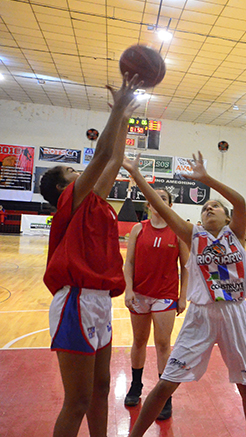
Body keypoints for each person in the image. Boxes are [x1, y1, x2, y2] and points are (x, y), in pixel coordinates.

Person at [123, 152, 246, 437]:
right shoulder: (192, 235)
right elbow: (161, 207)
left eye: (215, 207)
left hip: (235, 313)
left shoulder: (235, 235)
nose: (209, 209)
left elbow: (241, 202)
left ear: (226, 217)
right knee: (166, 383)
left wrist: (207, 179)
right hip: (201, 315)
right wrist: (137, 176)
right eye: (205, 208)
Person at [39, 73, 141, 437]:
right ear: (62, 188)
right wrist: (117, 109)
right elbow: (102, 154)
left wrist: (126, 111)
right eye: (70, 170)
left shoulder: (94, 203)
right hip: (76, 302)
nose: (77, 169)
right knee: (77, 400)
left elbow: (114, 157)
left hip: (98, 301)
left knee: (100, 391)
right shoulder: (71, 201)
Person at [123, 189, 189, 420]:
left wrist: (182, 296)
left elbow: (186, 267)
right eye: (155, 197)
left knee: (163, 344)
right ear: (148, 204)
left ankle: (164, 396)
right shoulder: (138, 229)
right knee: (139, 341)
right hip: (140, 293)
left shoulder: (178, 233)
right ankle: (136, 385)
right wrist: (129, 289)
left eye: (164, 198)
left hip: (166, 294)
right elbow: (128, 262)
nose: (159, 200)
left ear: (170, 205)